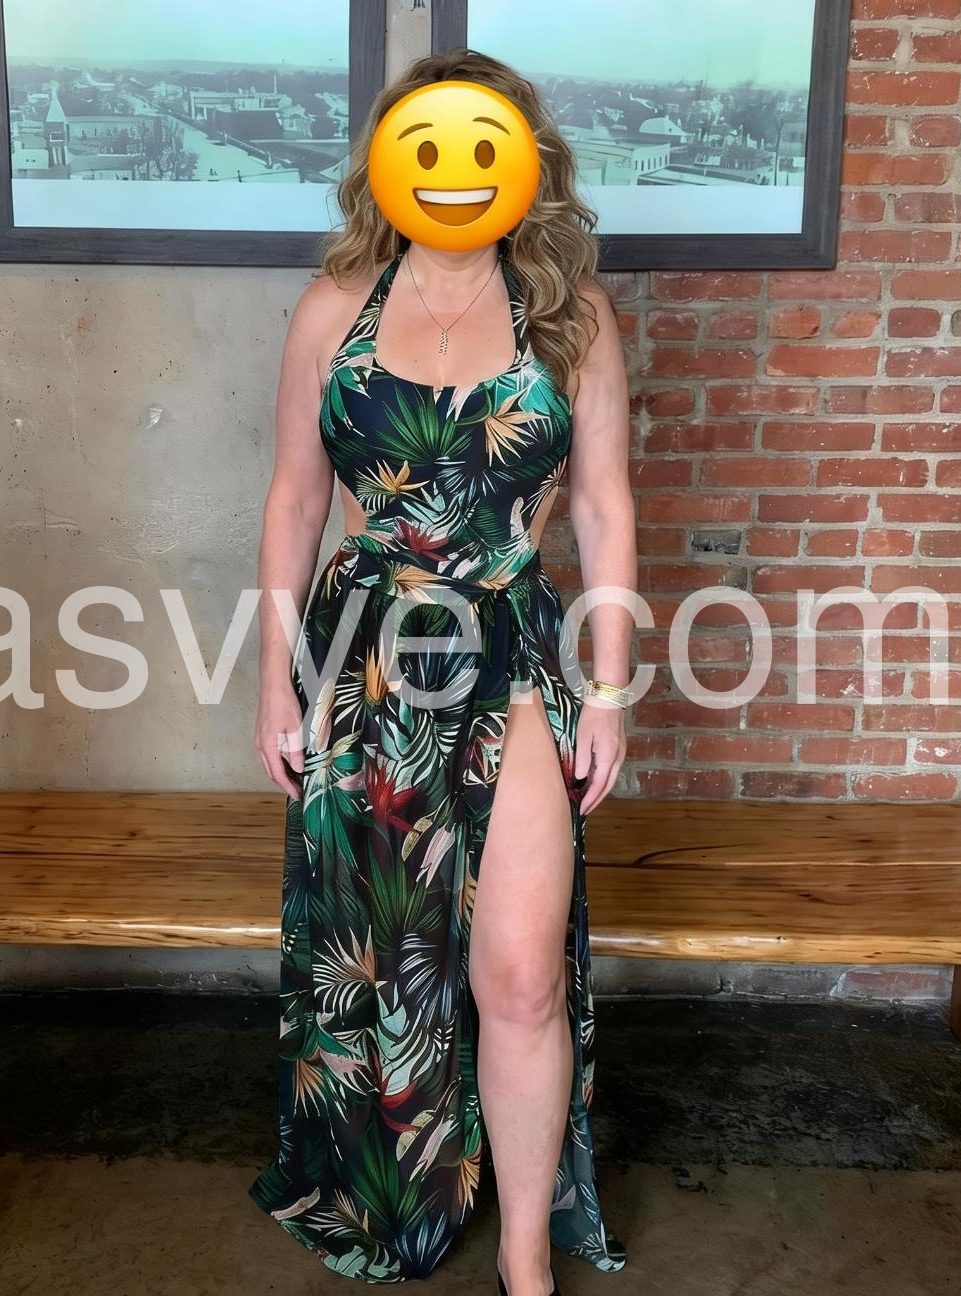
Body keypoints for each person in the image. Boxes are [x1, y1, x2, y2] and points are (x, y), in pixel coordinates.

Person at [248, 48, 637, 1296]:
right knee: (385, 963)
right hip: (364, 665)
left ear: (526, 165)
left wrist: (611, 689)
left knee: (518, 973)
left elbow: (604, 507)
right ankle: (396, 1191)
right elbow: (295, 501)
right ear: (388, 161)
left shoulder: (572, 315)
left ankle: (525, 1257)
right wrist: (272, 682)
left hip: (511, 653)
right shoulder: (332, 311)